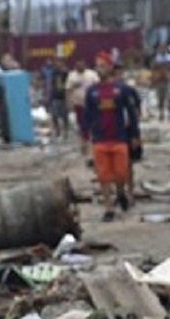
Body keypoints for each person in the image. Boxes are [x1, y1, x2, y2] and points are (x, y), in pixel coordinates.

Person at [83, 52, 141, 221]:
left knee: (121, 173)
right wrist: (85, 136)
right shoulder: (92, 92)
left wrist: (135, 135)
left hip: (119, 137)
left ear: (110, 67)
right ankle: (108, 207)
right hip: (100, 138)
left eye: (102, 65)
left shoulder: (121, 90)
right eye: (97, 66)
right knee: (103, 176)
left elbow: (131, 113)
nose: (99, 69)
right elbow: (87, 116)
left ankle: (121, 192)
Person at [67, 58, 101, 156]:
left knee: (94, 123)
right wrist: (69, 102)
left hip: (92, 105)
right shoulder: (72, 75)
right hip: (79, 104)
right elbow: (68, 90)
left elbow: (98, 85)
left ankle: (95, 142)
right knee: (82, 125)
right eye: (78, 65)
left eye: (81, 65)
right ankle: (84, 144)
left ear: (85, 65)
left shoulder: (92, 74)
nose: (79, 67)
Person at [151, 44, 170, 122]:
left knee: (169, 98)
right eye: (161, 48)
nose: (162, 49)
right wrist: (155, 78)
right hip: (160, 81)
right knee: (160, 98)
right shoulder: (157, 58)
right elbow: (154, 69)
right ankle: (161, 114)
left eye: (164, 48)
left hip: (168, 81)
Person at [48, 60, 71, 140]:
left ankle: (66, 132)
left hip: (64, 97)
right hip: (55, 97)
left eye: (59, 63)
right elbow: (52, 84)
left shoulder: (66, 73)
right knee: (54, 115)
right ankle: (57, 131)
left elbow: (69, 85)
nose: (58, 65)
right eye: (56, 64)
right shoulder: (54, 73)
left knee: (65, 116)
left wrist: (68, 98)